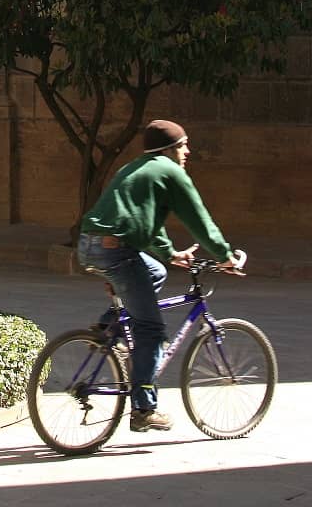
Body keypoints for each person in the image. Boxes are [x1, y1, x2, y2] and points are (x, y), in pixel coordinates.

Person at [75, 118, 247, 432]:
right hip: (116, 251)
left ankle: (108, 327)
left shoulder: (135, 168)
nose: (188, 151)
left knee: (154, 271)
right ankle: (144, 409)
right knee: (151, 330)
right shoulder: (170, 171)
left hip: (89, 245)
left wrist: (169, 254)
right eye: (183, 145)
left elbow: (141, 219)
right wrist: (224, 257)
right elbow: (199, 219)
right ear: (168, 149)